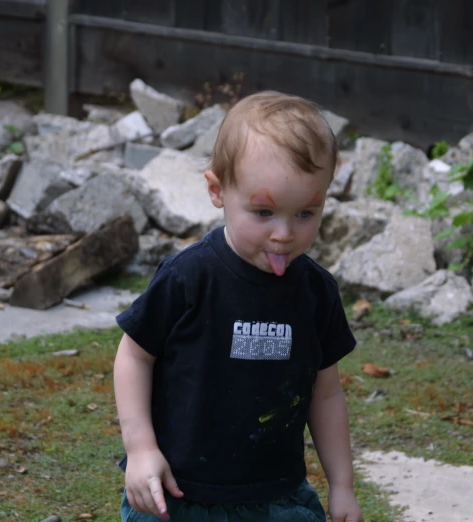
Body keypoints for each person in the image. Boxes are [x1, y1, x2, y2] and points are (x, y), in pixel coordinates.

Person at [113, 91, 363, 522]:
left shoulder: (317, 292)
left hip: (276, 499)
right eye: (263, 212)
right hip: (178, 495)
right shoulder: (188, 278)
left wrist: (342, 487)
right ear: (217, 190)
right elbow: (134, 355)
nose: (284, 233)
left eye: (306, 213)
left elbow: (326, 393)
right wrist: (140, 450)